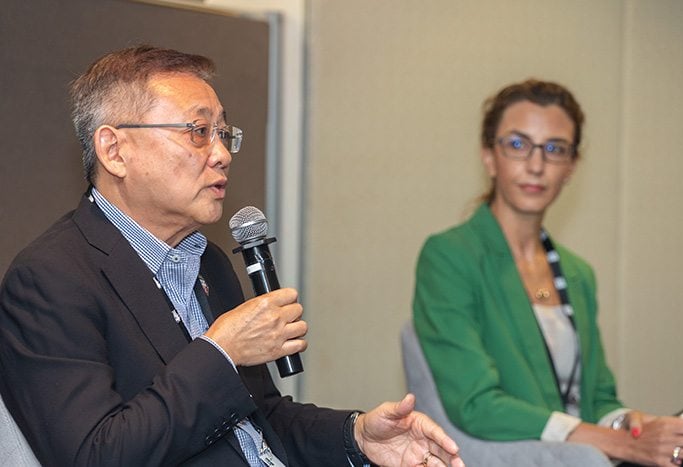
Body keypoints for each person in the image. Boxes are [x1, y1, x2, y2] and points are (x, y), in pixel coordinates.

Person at [0, 45, 464, 467]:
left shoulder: (210, 262)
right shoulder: (50, 279)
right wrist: (220, 352)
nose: (222, 154)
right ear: (114, 150)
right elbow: (96, 455)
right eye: (198, 132)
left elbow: (262, 419)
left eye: (223, 133)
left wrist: (357, 436)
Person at [412, 79, 683, 466]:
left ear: (571, 167)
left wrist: (628, 424)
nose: (536, 165)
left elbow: (598, 398)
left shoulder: (578, 273)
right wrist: (621, 444)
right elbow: (475, 403)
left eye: (554, 149)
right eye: (518, 144)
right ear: (489, 156)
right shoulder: (450, 257)